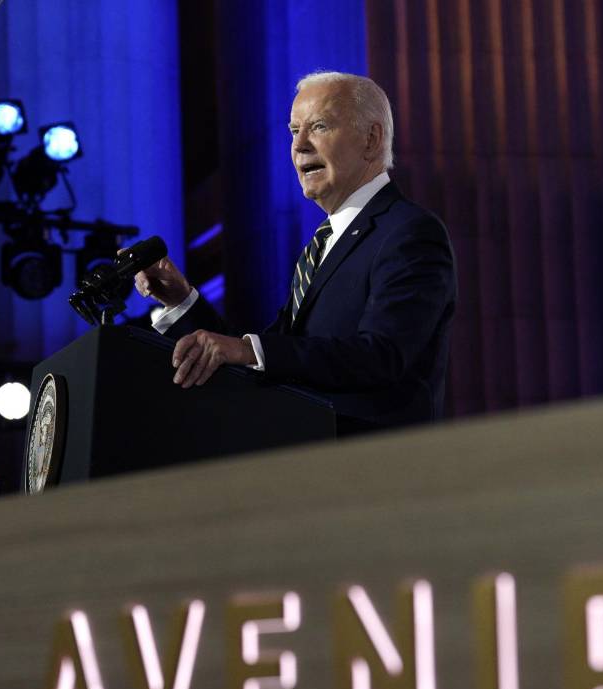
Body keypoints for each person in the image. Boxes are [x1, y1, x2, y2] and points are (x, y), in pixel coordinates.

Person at [136, 71, 456, 431]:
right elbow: (271, 356)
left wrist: (249, 350)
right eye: (293, 131)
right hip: (307, 460)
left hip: (371, 468)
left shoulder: (409, 232)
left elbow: (382, 356)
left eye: (318, 127)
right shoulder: (322, 245)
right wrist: (182, 302)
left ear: (371, 139)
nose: (300, 145)